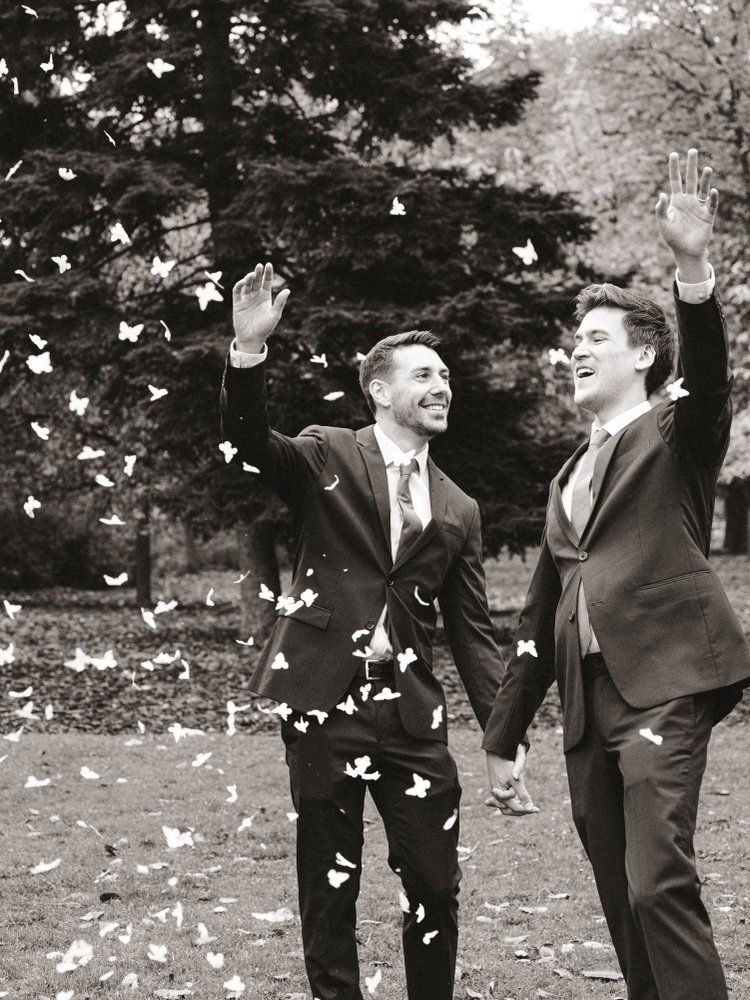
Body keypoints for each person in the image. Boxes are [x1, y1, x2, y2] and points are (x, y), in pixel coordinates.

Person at [482, 148, 750, 1000]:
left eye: (595, 339)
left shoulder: (676, 433)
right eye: (575, 341)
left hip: (666, 681)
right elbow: (537, 616)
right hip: (586, 703)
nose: (576, 351)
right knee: (619, 895)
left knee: (655, 881)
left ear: (644, 357)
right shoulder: (565, 479)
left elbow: (710, 379)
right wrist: (502, 736)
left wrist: (692, 271)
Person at [220, 263, 516, 1000]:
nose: (442, 386)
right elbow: (249, 443)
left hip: (412, 716)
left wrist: (502, 735)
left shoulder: (459, 507)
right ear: (380, 391)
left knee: (435, 885)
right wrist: (248, 351)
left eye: (445, 375)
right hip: (325, 702)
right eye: (424, 375)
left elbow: (472, 632)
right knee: (331, 883)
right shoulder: (326, 452)